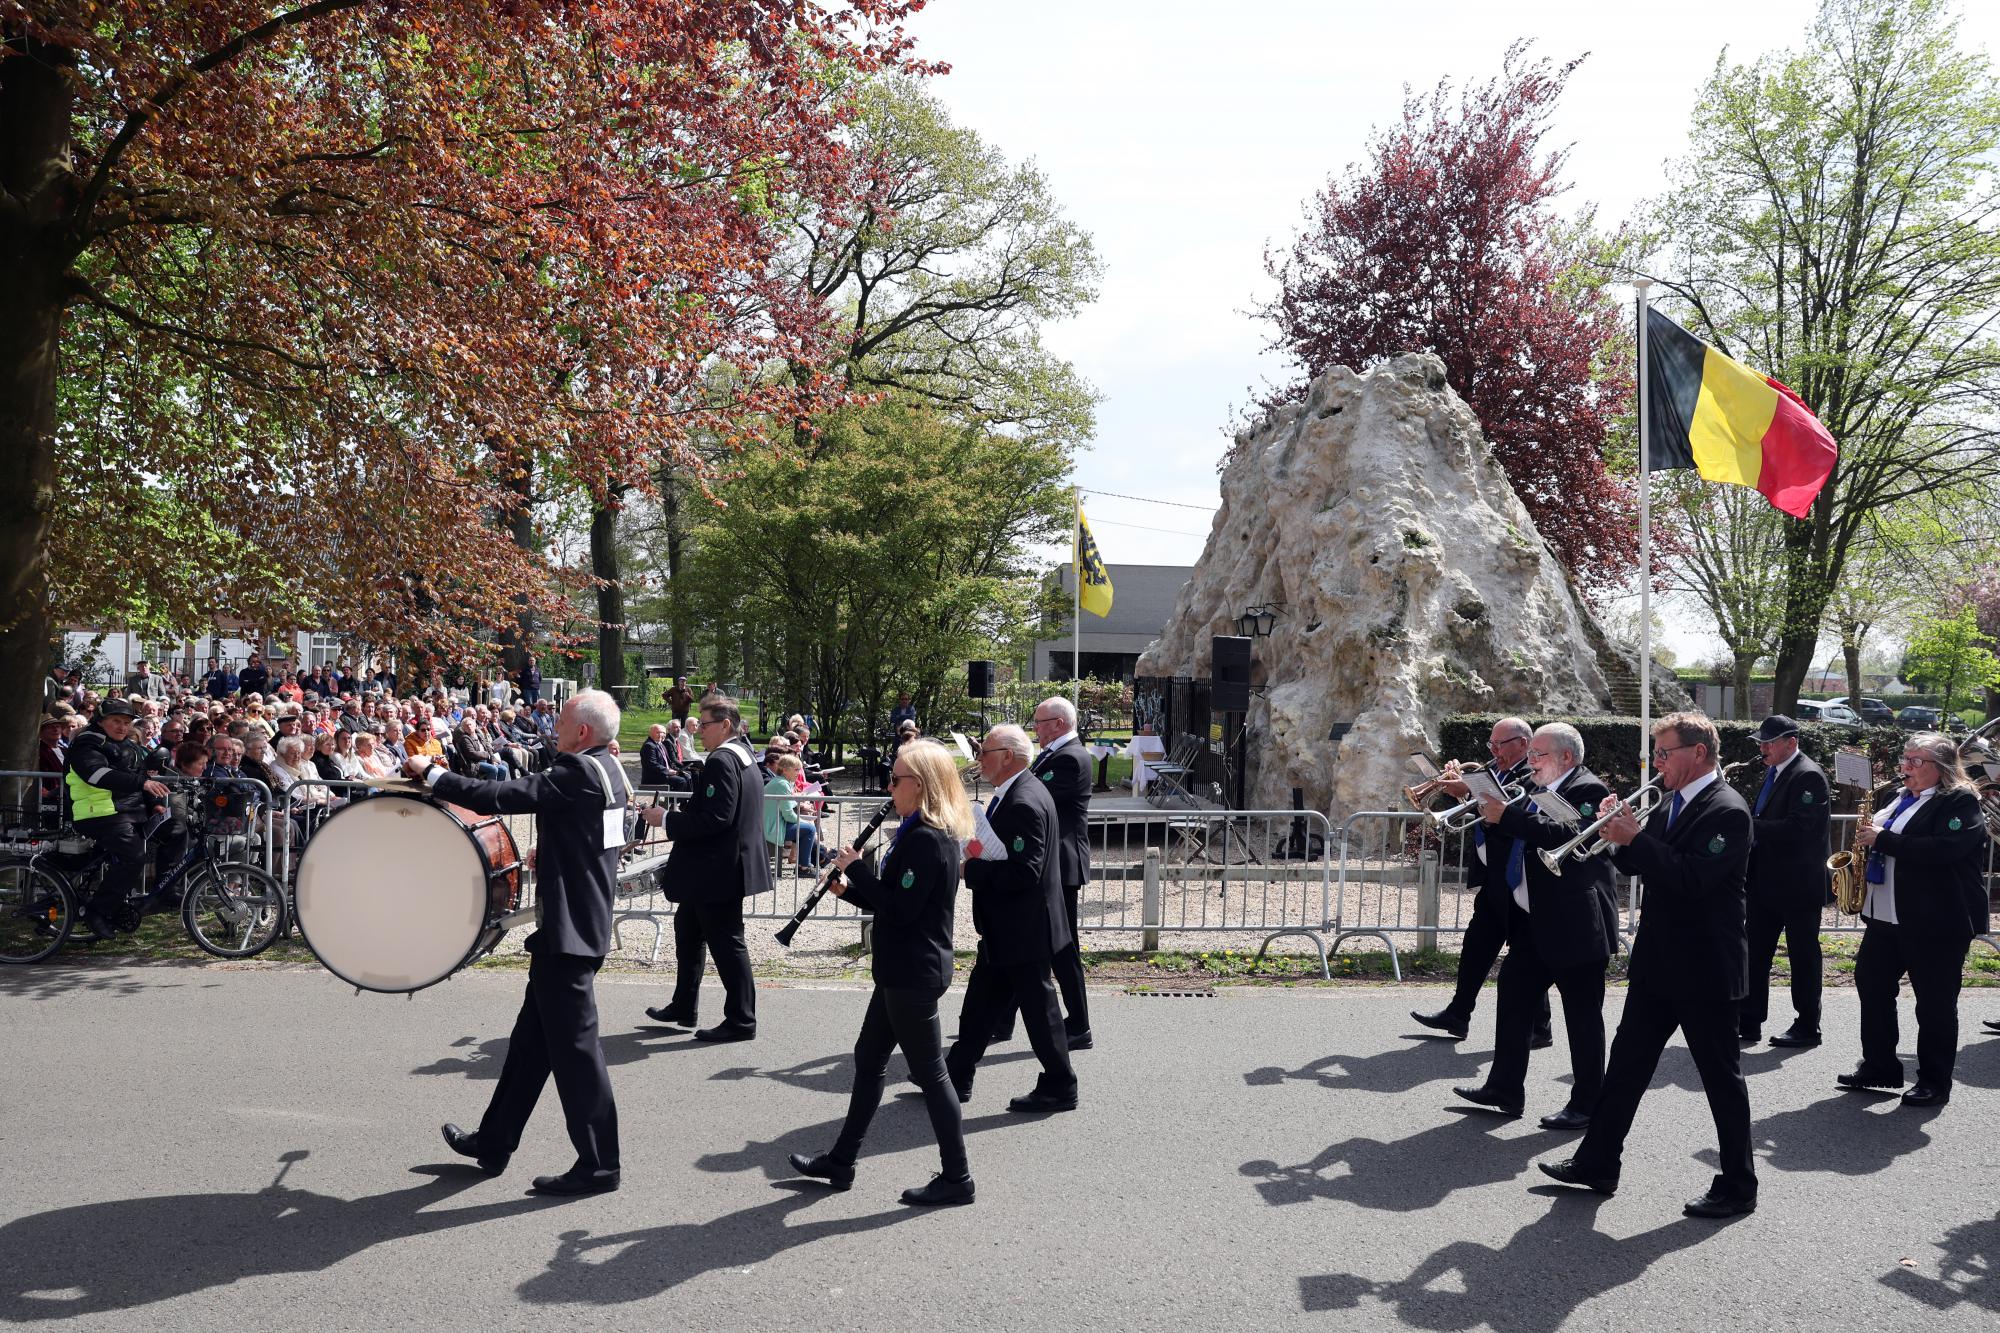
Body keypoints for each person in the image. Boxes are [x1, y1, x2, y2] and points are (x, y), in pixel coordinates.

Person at [1539, 711, 1757, 1219]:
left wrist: (1637, 838)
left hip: (1706, 965)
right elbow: (1641, 864)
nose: (1657, 764)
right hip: (1660, 961)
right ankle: (1597, 1163)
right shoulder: (1675, 801)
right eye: (1656, 754)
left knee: (1721, 1080)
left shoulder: (1727, 809)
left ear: (1697, 753)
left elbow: (1690, 880)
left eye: (1664, 753)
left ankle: (1739, 1184)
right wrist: (1618, 837)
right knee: (1626, 1067)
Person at [415, 690, 629, 1196]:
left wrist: (432, 775)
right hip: (576, 927)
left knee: (577, 1057)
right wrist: (555, 852)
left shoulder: (576, 771)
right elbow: (605, 837)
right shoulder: (611, 770)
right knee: (530, 1047)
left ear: (581, 732)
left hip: (570, 935)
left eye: (561, 722)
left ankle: (600, 1165)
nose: (554, 728)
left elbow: (500, 796)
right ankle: (494, 1141)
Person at [787, 738, 976, 1206]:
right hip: (897, 968)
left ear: (922, 785)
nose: (889, 786)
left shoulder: (929, 838)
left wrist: (859, 870)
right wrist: (848, 888)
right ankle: (841, 1160)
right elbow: (888, 900)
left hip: (913, 971)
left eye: (895, 780)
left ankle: (958, 1178)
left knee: (932, 1076)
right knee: (868, 1060)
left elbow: (903, 910)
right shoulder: (912, 831)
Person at [1452, 723, 1617, 1132]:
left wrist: (1507, 815)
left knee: (1582, 1017)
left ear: (1565, 757)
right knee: (1513, 996)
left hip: (1577, 922)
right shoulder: (1533, 785)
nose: (1530, 761)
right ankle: (1504, 1089)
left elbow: (1571, 836)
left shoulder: (1587, 790)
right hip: (1535, 918)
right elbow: (1519, 839)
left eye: (1538, 754)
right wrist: (1491, 818)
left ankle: (1588, 1103)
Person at [1840, 732, 1990, 1107]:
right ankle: (1880, 1067)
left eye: (1914, 761)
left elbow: (1947, 849)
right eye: (1904, 759)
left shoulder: (1960, 801)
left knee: (1935, 1004)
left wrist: (1883, 839)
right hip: (1885, 916)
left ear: (1939, 768)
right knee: (1872, 987)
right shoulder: (1896, 797)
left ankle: (1935, 1081)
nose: (1904, 767)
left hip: (1936, 920)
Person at [944, 724, 1079, 1113]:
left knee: (1041, 1013)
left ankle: (1060, 1084)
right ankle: (955, 1075)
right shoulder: (1021, 791)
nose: (979, 758)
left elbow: (1025, 871)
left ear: (1007, 756)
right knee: (981, 1004)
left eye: (985, 751)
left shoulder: (1023, 801)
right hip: (1012, 926)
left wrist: (973, 871)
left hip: (1023, 927)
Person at [1411, 718, 1553, 1048]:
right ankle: (1459, 1013)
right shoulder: (1496, 773)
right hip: (1494, 877)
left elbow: (1507, 818)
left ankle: (1540, 1026)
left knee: (1524, 952)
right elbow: (1481, 812)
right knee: (1477, 946)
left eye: (1500, 745)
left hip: (1515, 876)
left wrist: (1468, 789)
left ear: (1522, 744)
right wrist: (1454, 785)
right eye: (1491, 745)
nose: (1494, 752)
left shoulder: (1528, 774)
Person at [641, 694, 769, 1042]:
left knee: (727, 943)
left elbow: (716, 818)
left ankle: (742, 1020)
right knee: (688, 928)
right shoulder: (743, 755)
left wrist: (665, 817)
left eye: (706, 724)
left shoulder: (722, 761)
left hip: (718, 870)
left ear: (725, 724)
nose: (699, 732)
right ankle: (684, 1005)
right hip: (720, 867)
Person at [991, 697, 1097, 1049]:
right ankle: (1001, 1019)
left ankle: (1079, 1025)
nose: (1034, 728)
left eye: (1039, 722)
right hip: (1050, 863)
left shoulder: (1071, 758)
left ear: (1060, 723)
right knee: (1025, 943)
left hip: (1061, 866)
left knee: (1062, 949)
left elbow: (1034, 795)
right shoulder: (1054, 755)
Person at [1741, 715, 1831, 1048]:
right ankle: (1749, 1019)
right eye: (1761, 743)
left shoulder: (1807, 775)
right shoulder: (1777, 771)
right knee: (1755, 952)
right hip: (1766, 882)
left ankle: (1808, 1025)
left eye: (1768, 743)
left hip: (1797, 885)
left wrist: (1748, 826)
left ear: (1791, 743)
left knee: (1803, 957)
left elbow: (1799, 829)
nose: (1762, 749)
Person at [64, 698, 169, 940]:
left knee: (175, 830)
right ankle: (97, 912)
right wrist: (143, 783)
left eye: (126, 722)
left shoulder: (127, 746)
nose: (122, 727)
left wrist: (154, 805)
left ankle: (164, 894)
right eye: (116, 721)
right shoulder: (87, 743)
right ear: (101, 721)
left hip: (126, 810)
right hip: (97, 812)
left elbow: (140, 776)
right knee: (133, 857)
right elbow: (97, 774)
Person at [763, 753, 827, 873]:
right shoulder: (782, 784)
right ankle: (805, 867)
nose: (798, 773)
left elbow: (787, 807)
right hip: (772, 828)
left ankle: (812, 861)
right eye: (796, 770)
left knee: (805, 828)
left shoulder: (781, 782)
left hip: (773, 824)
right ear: (785, 770)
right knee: (809, 829)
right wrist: (804, 821)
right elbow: (788, 814)